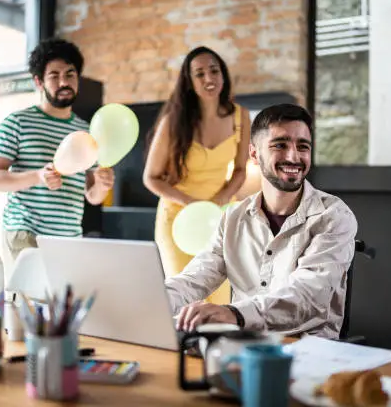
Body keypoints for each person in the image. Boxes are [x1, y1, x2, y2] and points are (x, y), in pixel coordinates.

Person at [167, 103, 358, 339]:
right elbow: (194, 280)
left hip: (306, 349)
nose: (293, 156)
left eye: (303, 146)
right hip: (241, 347)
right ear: (255, 154)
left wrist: (235, 314)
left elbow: (309, 295)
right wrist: (152, 300)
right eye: (280, 145)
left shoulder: (334, 216)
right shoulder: (232, 218)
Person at [0, 38, 114, 261]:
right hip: (27, 234)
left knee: (65, 298)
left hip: (69, 239)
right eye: (54, 76)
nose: (63, 82)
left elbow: (92, 196)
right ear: (39, 82)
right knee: (30, 296)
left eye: (70, 74)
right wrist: (37, 176)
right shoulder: (17, 122)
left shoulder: (86, 131)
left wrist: (102, 186)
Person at [143, 46, 251, 305]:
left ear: (223, 75)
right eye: (199, 74)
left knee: (220, 301)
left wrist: (222, 199)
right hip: (178, 220)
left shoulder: (241, 116)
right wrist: (190, 204)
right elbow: (151, 177)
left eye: (214, 70)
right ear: (190, 82)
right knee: (187, 302)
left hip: (217, 219)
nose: (208, 78)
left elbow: (240, 170)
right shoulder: (174, 121)